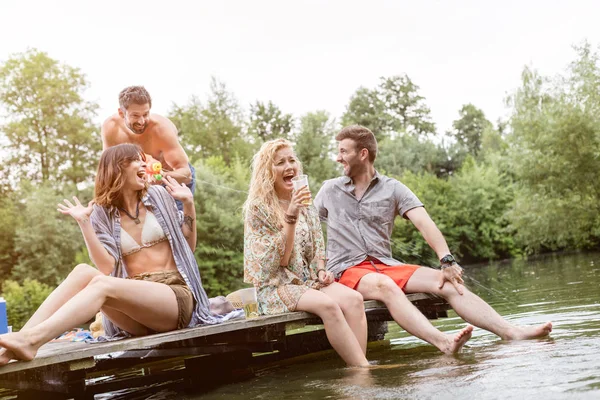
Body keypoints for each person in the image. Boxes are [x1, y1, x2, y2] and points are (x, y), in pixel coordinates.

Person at [314, 125, 553, 352]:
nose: (338, 157)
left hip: (384, 265)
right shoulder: (329, 190)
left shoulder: (393, 189)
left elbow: (424, 223)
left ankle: (511, 332)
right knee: (384, 285)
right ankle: (443, 342)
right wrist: (313, 271)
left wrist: (446, 261)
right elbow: (310, 230)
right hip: (345, 271)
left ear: (363, 154)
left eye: (343, 151)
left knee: (448, 283)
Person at [0, 144, 224, 365]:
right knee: (83, 272)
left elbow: (189, 246)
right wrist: (85, 223)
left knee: (102, 284)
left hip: (173, 299)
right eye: (137, 160)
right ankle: (10, 349)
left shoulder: (158, 195)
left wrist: (188, 203)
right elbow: (106, 266)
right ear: (118, 168)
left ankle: (31, 340)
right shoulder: (101, 211)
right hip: (134, 311)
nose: (144, 164)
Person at [243, 139, 370, 367]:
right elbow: (280, 260)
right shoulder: (258, 208)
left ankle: (357, 369)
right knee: (328, 306)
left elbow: (317, 244)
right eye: (280, 162)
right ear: (267, 171)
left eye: (292, 160)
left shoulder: (304, 199)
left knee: (354, 299)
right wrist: (291, 215)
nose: (289, 166)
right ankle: (363, 370)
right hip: (275, 287)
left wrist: (322, 270)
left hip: (307, 282)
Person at [101, 86, 195, 209]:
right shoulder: (110, 128)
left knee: (175, 224)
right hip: (140, 181)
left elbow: (186, 174)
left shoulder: (161, 129)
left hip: (172, 178)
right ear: (121, 113)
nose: (141, 121)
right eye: (135, 115)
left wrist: (161, 177)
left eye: (145, 114)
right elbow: (108, 169)